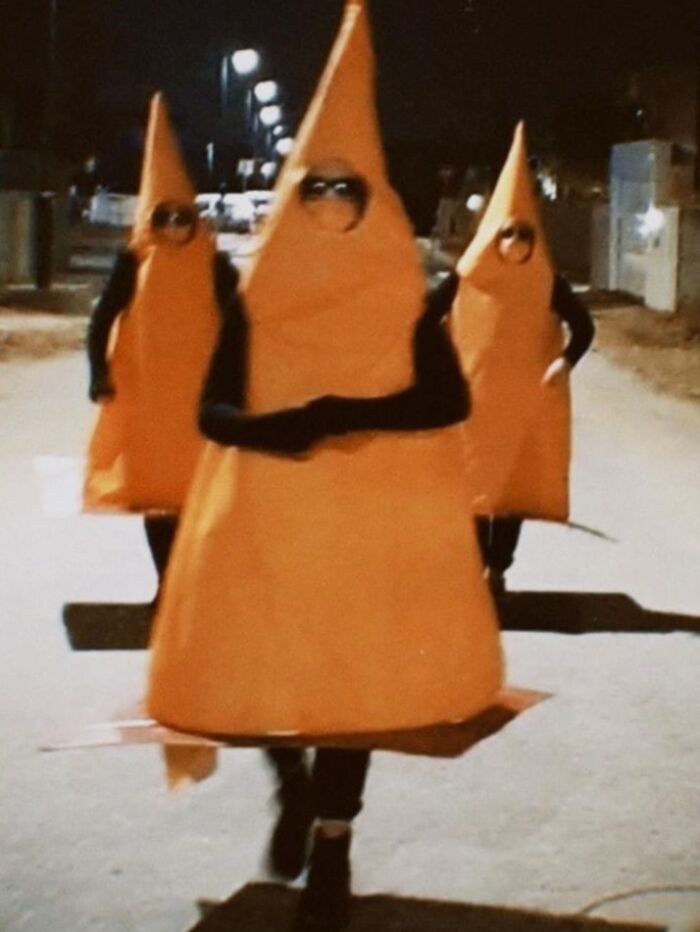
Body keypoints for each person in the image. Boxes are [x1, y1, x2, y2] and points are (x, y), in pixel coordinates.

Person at [147, 5, 503, 930]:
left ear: (373, 201)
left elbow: (449, 402)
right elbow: (212, 413)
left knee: (356, 693)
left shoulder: (414, 304)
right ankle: (292, 787)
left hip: (369, 529)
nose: (332, 206)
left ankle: (334, 840)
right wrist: (286, 432)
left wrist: (348, 413)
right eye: (316, 189)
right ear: (294, 197)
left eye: (349, 191)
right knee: (267, 675)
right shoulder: (253, 306)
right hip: (269, 525)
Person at [85, 93, 228, 601]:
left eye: (181, 218)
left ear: (194, 219)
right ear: (151, 220)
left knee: (195, 494)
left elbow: (242, 325)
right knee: (155, 495)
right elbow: (102, 319)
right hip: (149, 396)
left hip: (200, 398)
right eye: (163, 217)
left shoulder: (215, 267)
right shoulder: (133, 264)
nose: (172, 227)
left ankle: (186, 582)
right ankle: (166, 585)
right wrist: (98, 375)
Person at [451, 123, 595, 595]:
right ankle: (475, 568)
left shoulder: (547, 283)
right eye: (509, 234)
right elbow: (426, 317)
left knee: (509, 491)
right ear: (495, 236)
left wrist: (564, 360)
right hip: (473, 399)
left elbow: (584, 325)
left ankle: (498, 568)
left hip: (520, 400)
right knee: (475, 489)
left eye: (525, 235)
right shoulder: (467, 277)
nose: (517, 243)